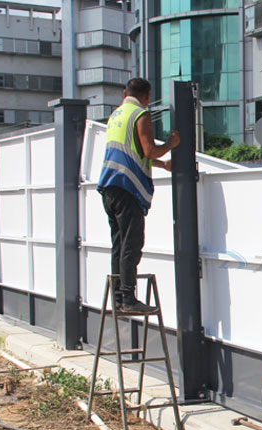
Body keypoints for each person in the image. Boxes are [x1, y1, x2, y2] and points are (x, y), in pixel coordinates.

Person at [97, 77, 180, 314]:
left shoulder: (116, 116)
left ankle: (118, 298)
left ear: (125, 93)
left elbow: (132, 152)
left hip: (109, 187)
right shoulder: (139, 115)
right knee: (132, 244)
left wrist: (162, 165)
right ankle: (129, 298)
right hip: (127, 187)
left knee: (118, 243)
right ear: (146, 96)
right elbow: (149, 150)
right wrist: (171, 143)